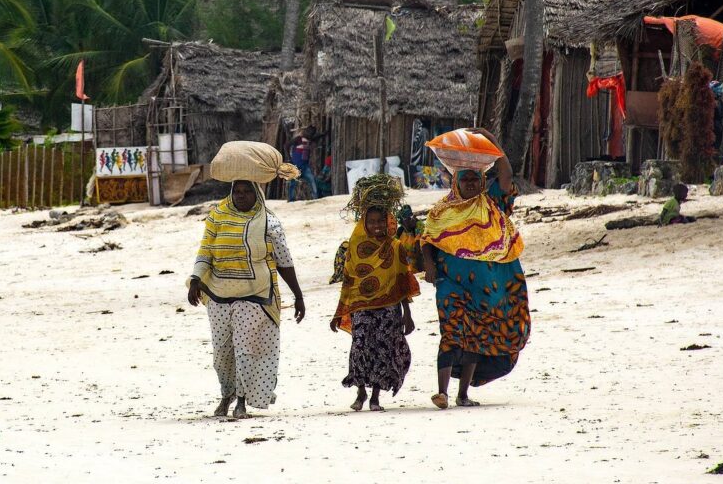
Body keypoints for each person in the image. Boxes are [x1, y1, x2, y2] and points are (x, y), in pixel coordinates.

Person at [420, 128, 531, 409]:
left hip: (484, 289)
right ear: (455, 181)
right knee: (451, 333)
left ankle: (462, 394)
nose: (470, 183)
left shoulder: (492, 203)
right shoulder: (442, 210)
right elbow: (427, 239)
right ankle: (442, 392)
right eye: (465, 179)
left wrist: (492, 140)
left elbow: (506, 176)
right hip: (450, 283)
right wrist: (429, 265)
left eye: (474, 179)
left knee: (474, 339)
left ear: (482, 181)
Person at [188, 180, 306, 418]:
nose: (241, 196)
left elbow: (284, 261)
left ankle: (241, 400)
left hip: (255, 293)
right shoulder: (217, 216)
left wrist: (298, 295)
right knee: (222, 352)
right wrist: (195, 280)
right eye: (237, 192)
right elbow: (206, 251)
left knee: (245, 349)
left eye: (247, 192)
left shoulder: (269, 222)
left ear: (257, 194)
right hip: (218, 293)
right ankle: (226, 394)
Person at [328, 176, 417, 412]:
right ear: (364, 222)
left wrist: (407, 314)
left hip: (389, 309)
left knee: (383, 350)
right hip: (360, 308)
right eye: (372, 221)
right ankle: (360, 392)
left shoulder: (394, 246)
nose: (377, 226)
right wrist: (339, 312)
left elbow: (402, 281)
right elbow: (348, 283)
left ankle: (376, 396)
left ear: (388, 221)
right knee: (360, 347)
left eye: (381, 221)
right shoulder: (353, 248)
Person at [287, 127, 320, 201]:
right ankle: (291, 199)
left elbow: (317, 137)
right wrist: (289, 158)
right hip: (296, 166)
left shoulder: (309, 140)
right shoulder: (298, 139)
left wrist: (324, 133)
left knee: (312, 181)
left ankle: (316, 197)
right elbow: (286, 145)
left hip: (305, 166)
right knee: (293, 184)